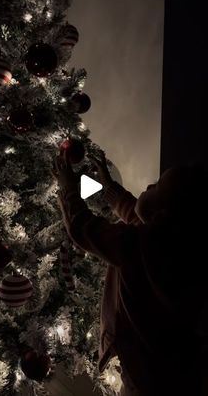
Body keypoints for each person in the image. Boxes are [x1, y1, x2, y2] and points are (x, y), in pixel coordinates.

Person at [51, 149, 208, 396]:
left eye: (156, 187)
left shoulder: (136, 244)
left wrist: (69, 189)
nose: (148, 184)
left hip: (145, 374)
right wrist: (109, 186)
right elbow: (136, 214)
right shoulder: (180, 245)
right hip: (179, 367)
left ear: (162, 215)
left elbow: (84, 228)